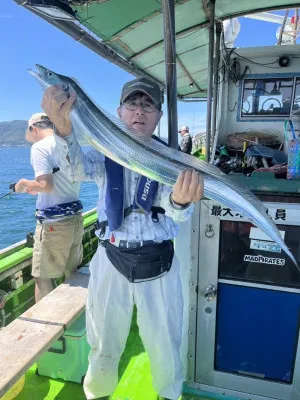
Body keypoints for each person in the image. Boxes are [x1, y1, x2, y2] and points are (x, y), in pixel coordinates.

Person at [41, 76, 204, 400]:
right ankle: (97, 394)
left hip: (158, 262)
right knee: (102, 343)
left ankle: (168, 395)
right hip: (111, 260)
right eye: (132, 104)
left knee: (166, 346)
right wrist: (63, 130)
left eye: (147, 105)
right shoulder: (105, 150)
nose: (139, 112)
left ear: (158, 116)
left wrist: (181, 201)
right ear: (120, 111)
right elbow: (74, 171)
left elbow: (177, 212)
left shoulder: (173, 159)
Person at [14, 113, 84, 302]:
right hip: (75, 220)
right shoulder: (66, 143)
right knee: (73, 273)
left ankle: (47, 327)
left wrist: (22, 184)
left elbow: (46, 185)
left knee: (42, 276)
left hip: (54, 224)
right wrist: (36, 187)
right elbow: (60, 184)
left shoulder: (39, 147)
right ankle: (75, 319)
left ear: (34, 129)